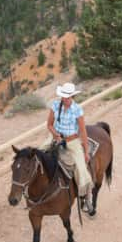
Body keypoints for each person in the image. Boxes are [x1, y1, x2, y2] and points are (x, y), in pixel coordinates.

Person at [40, 82, 93, 210]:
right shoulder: (55, 105)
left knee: (81, 168)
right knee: (38, 154)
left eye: (68, 97)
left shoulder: (77, 109)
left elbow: (82, 131)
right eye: (64, 97)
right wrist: (55, 135)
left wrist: (86, 151)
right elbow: (49, 125)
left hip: (72, 141)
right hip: (55, 138)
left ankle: (86, 197)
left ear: (72, 96)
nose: (65, 99)